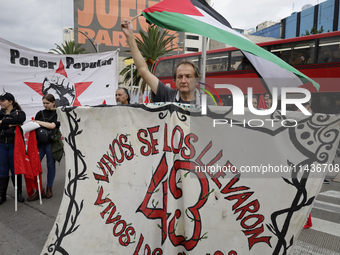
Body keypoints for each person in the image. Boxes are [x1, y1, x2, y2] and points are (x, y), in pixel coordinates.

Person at [121, 19, 214, 105]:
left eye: (188, 76)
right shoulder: (167, 95)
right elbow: (143, 70)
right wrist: (129, 36)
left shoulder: (208, 103)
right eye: (179, 77)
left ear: (197, 80)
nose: (183, 81)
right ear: (175, 80)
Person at [27, 94, 63, 201]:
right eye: (44, 103)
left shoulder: (58, 113)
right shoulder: (40, 113)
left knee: (50, 165)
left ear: (53, 103)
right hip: (40, 143)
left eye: (47, 103)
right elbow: (33, 125)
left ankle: (49, 187)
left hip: (51, 143)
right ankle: (39, 190)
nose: (45, 105)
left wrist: (37, 122)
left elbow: (52, 126)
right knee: (35, 165)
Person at [0, 92, 26, 204]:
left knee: (16, 169)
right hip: (1, 145)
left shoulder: (19, 113)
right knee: (2, 170)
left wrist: (3, 122)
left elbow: (19, 121)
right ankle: (2, 195)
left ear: (10, 102)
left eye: (3, 100)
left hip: (14, 145)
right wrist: (11, 124)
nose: (1, 102)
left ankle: (18, 193)